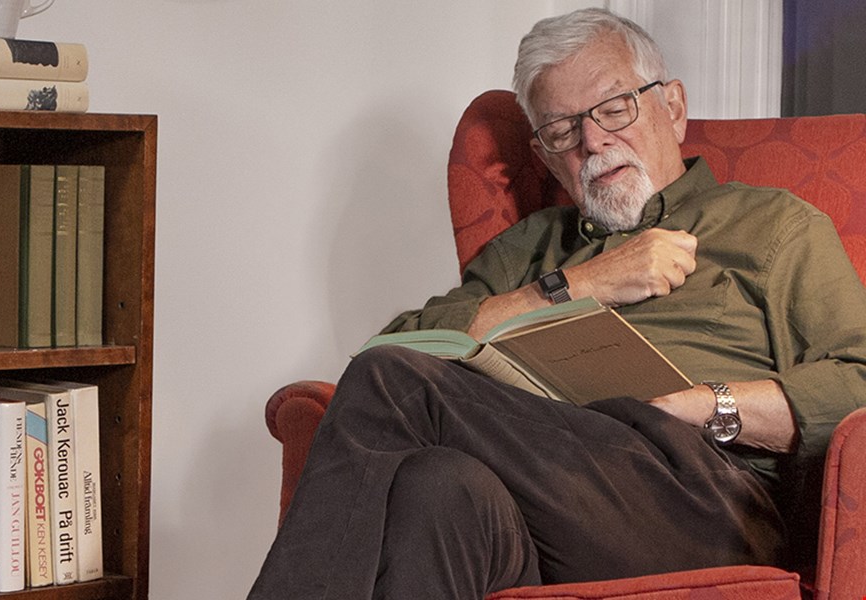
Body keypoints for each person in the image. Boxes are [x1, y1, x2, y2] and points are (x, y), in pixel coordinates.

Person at [248, 7, 866, 600]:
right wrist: (577, 286)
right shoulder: (529, 249)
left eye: (614, 107)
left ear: (672, 107)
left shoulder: (771, 224)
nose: (593, 141)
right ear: (544, 154)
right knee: (435, 488)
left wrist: (707, 405)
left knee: (398, 388)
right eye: (561, 129)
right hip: (552, 507)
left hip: (708, 503)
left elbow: (858, 381)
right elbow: (396, 347)